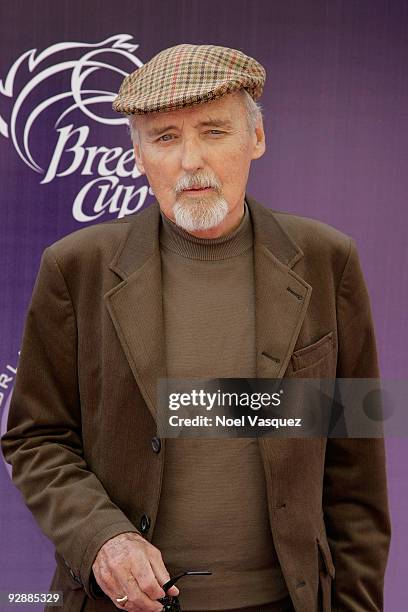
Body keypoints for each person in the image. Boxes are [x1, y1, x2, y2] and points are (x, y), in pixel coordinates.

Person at [1, 44, 390, 612]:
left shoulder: (327, 259)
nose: (191, 160)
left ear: (255, 139)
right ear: (138, 155)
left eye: (213, 131)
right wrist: (101, 537)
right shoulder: (75, 267)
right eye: (164, 137)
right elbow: (36, 437)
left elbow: (355, 467)